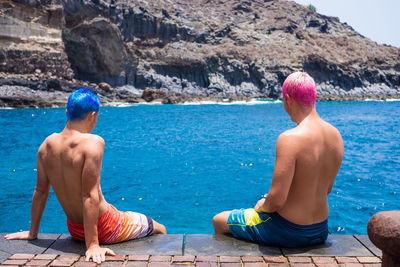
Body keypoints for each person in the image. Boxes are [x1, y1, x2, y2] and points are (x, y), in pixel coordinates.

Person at [5, 88, 167, 263]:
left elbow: (40, 190)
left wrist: (32, 232)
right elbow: (89, 195)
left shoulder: (47, 144)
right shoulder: (93, 143)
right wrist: (92, 245)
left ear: (67, 112)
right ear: (92, 116)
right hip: (107, 226)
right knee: (159, 227)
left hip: (74, 229)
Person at [212, 72, 344, 247]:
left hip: (287, 231)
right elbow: (326, 189)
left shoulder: (290, 138)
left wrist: (261, 206)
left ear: (288, 99)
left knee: (219, 220)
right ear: (314, 97)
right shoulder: (336, 136)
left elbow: (276, 201)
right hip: (320, 230)